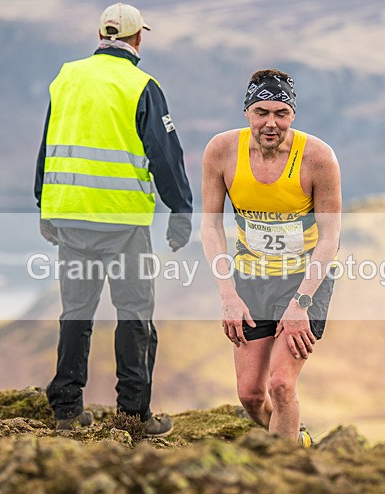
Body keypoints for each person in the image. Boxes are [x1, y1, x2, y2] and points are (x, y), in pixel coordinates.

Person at [34, 3, 193, 434]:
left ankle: (67, 410)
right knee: (134, 314)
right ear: (138, 38)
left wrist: (43, 205)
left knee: (76, 313)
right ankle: (133, 415)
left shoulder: (66, 77)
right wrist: (181, 211)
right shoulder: (142, 85)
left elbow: (50, 143)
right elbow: (165, 154)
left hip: (70, 216)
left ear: (101, 35)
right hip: (123, 225)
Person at [200, 69, 342, 445]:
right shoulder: (221, 151)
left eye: (281, 113)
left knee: (281, 385)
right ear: (247, 112)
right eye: (262, 112)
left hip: (304, 280)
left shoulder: (318, 157)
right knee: (250, 396)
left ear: (293, 115)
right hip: (250, 280)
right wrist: (228, 296)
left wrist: (301, 303)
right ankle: (296, 439)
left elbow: (330, 237)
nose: (271, 123)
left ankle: (284, 473)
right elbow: (210, 227)